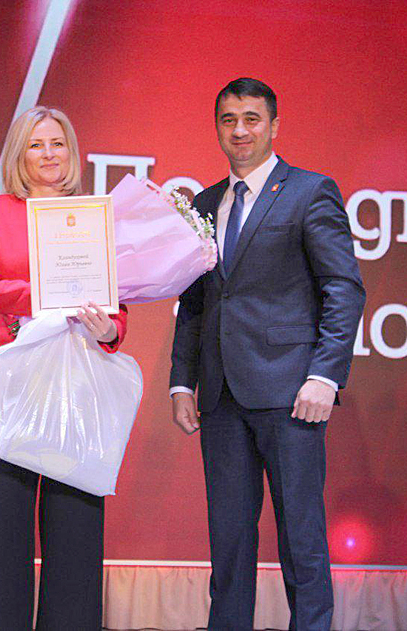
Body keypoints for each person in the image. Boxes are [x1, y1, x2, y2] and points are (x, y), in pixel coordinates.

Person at [170, 78, 365, 630]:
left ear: (274, 126)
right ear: (217, 127)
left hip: (291, 393)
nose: (240, 130)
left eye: (251, 119)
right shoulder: (204, 204)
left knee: (301, 536)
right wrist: (182, 382)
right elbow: (195, 303)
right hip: (221, 396)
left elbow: (343, 289)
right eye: (228, 119)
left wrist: (324, 376)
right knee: (228, 541)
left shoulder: (309, 191)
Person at [0, 106, 128, 630]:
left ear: (71, 153)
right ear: (19, 154)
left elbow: (118, 305)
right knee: (1, 530)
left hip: (78, 383)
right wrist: (43, 295)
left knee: (76, 527)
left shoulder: (93, 215)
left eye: (57, 144)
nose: (49, 154)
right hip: (8, 382)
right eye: (36, 144)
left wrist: (109, 328)